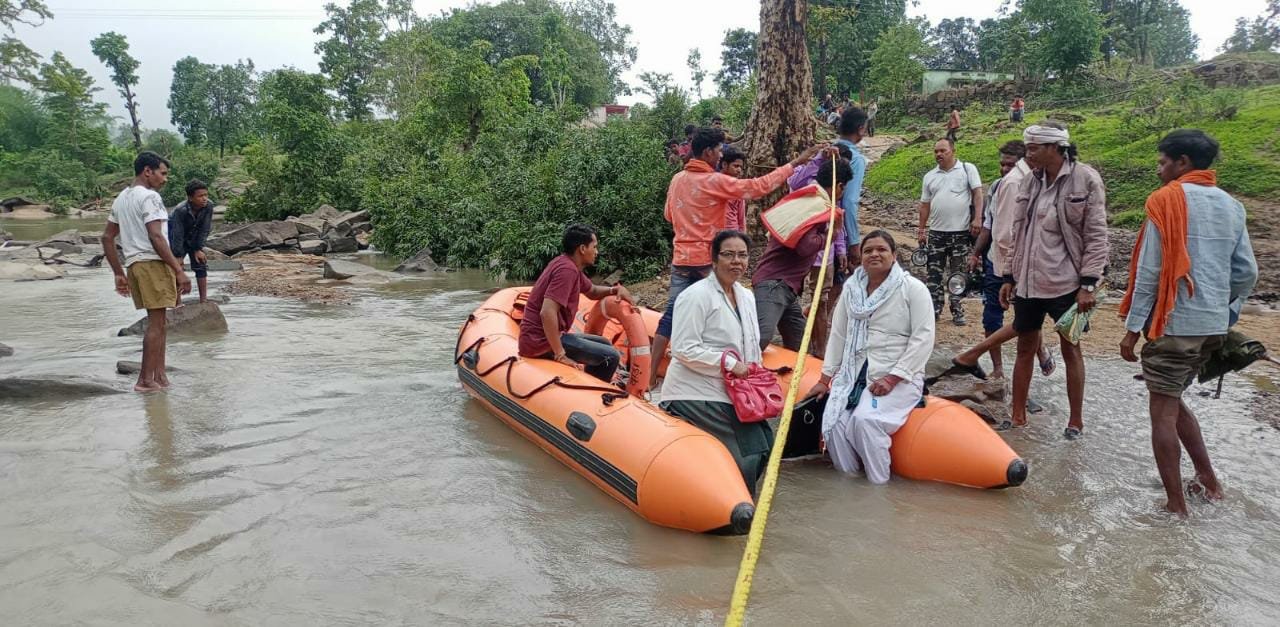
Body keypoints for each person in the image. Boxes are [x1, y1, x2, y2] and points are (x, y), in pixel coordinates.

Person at [1119, 129, 1257, 516]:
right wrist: (1221, 306)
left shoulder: (1164, 202)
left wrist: (1131, 330)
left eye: (1163, 162)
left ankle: (1175, 505)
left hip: (1173, 324)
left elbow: (1149, 272)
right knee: (1174, 402)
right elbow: (1246, 273)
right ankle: (1208, 481)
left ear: (1182, 163)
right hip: (1212, 326)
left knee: (1161, 414)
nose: (1158, 169)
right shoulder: (1232, 205)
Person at [650, 127, 825, 389]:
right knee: (729, 316)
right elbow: (758, 187)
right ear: (708, 152)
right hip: (709, 261)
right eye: (719, 151)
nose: (720, 156)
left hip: (681, 259)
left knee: (671, 316)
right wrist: (796, 163)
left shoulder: (677, 180)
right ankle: (740, 375)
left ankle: (651, 376)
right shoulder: (714, 181)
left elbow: (668, 215)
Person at [1000, 121, 1110, 440]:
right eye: (1027, 148)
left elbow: (1096, 235)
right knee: (1025, 346)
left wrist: (1089, 284)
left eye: (1034, 148)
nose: (1028, 154)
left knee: (1071, 348)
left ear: (1055, 148)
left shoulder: (1085, 179)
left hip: (1067, 284)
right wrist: (1009, 275)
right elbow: (1016, 232)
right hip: (1029, 282)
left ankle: (1075, 421)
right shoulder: (1029, 182)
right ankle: (1017, 416)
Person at [804, 230, 934, 484]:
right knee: (835, 425)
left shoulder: (913, 289)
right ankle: (851, 486)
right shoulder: (851, 291)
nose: (874, 254)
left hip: (898, 376)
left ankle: (878, 486)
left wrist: (893, 378)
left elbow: (923, 338)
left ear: (894, 256)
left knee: (865, 421)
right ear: (861, 258)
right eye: (868, 250)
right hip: (853, 375)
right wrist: (825, 378)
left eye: (881, 249)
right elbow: (839, 335)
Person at [660, 230, 771, 497]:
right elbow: (683, 348)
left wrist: (757, 377)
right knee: (750, 451)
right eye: (729, 255)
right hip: (695, 390)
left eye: (742, 255)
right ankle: (736, 507)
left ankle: (741, 499)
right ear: (713, 259)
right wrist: (731, 364)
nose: (736, 261)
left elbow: (751, 344)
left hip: (734, 390)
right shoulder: (696, 296)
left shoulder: (746, 296)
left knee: (767, 440)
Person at [954, 141, 1054, 384]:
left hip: (1021, 264)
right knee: (992, 317)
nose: (1005, 169)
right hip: (995, 261)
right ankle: (998, 368)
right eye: (1002, 164)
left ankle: (1033, 351)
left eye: (1010, 164)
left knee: (1026, 316)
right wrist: (976, 253)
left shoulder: (1032, 187)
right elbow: (990, 225)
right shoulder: (999, 187)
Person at [102, 152, 193, 392]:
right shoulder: (150, 197)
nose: (165, 179)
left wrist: (118, 273)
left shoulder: (122, 198)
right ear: (147, 171)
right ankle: (144, 380)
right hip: (152, 263)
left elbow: (107, 237)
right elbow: (156, 236)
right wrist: (178, 269)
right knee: (156, 324)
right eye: (163, 173)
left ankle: (159, 376)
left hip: (135, 264)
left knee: (160, 322)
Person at [754, 157, 853, 351]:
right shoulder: (817, 207)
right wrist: (832, 235)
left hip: (787, 287)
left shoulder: (807, 198)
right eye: (844, 189)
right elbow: (806, 247)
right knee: (760, 338)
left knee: (799, 346)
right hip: (775, 284)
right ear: (839, 186)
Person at [518, 224, 635, 383]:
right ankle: (593, 394)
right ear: (582, 248)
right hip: (539, 342)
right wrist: (560, 354)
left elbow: (592, 291)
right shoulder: (567, 271)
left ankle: (587, 380)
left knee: (604, 342)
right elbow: (547, 312)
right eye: (594, 247)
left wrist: (615, 290)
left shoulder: (568, 265)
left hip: (543, 337)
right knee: (611, 356)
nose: (596, 252)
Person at [918, 138, 983, 325]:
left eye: (943, 151)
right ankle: (935, 309)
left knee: (958, 274)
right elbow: (924, 205)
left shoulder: (966, 170)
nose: (939, 154)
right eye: (936, 151)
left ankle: (957, 310)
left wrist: (977, 218)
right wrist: (922, 230)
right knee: (934, 274)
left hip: (960, 233)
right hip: (936, 233)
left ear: (953, 151)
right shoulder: (930, 176)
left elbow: (978, 194)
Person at [168, 179, 215, 304]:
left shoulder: (208, 206)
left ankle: (203, 300)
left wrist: (198, 248)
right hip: (178, 237)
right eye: (200, 196)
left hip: (195, 235)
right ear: (190, 197)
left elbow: (205, 228)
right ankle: (177, 302)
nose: (204, 198)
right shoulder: (180, 210)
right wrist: (178, 255)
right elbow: (176, 233)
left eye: (206, 195)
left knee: (201, 264)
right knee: (177, 267)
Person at [721, 147, 747, 232]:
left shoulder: (739, 187)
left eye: (741, 167)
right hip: (715, 231)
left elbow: (741, 216)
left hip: (733, 231)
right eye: (736, 166)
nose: (739, 170)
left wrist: (743, 235)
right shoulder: (713, 183)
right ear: (724, 165)